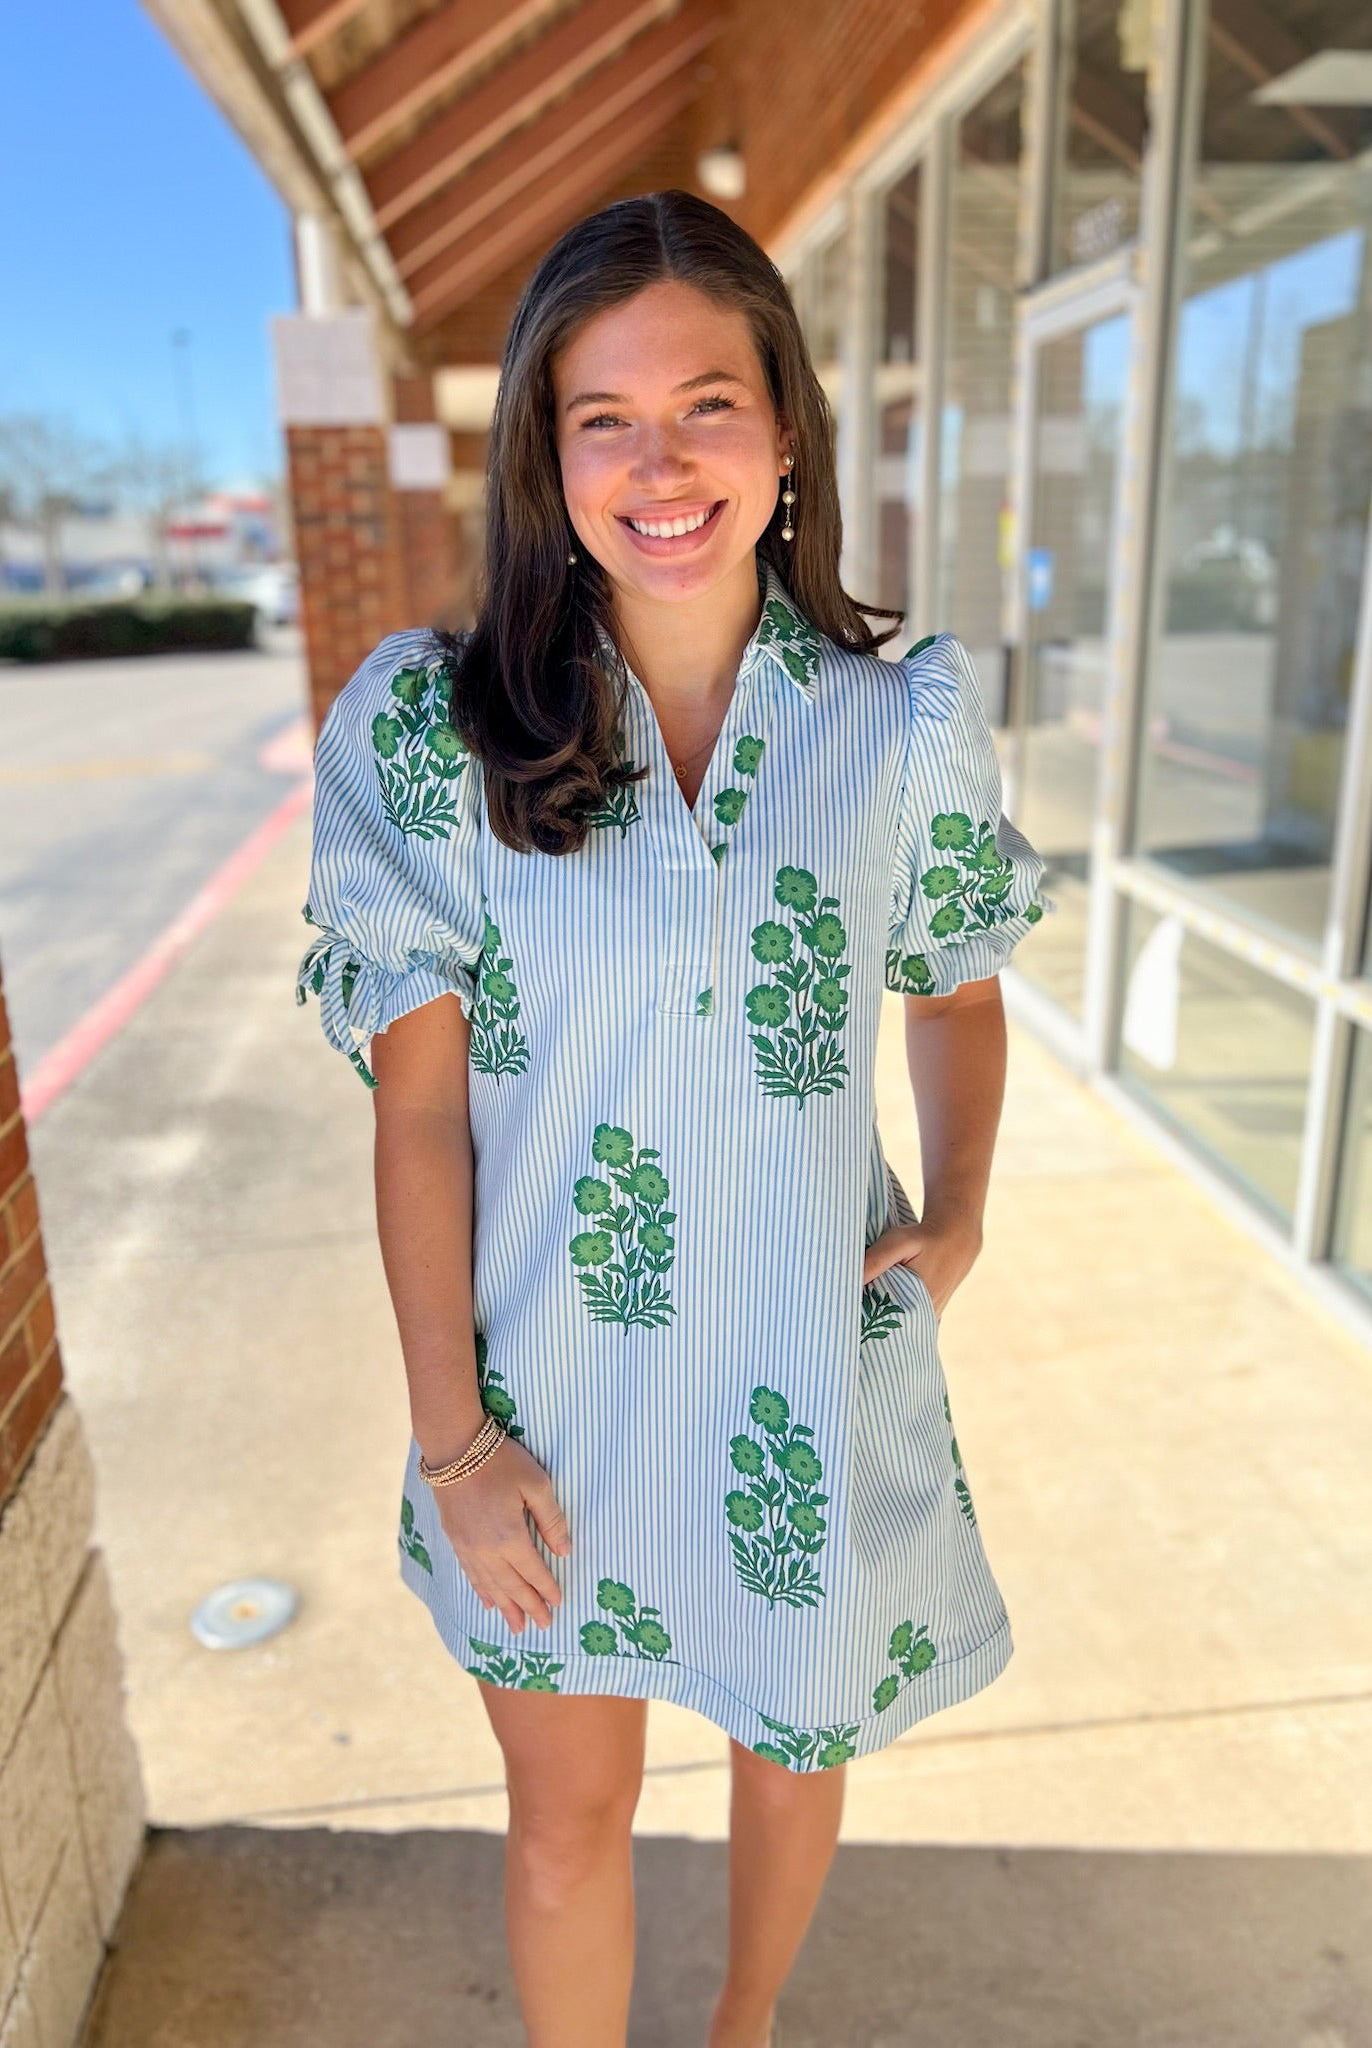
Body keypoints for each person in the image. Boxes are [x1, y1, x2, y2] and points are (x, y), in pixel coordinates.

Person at [295, 187, 1056, 2048]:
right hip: (543, 1409)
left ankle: (744, 2029)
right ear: (544, 460)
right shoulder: (433, 733)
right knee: (570, 1817)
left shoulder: (898, 727)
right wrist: (454, 1443)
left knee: (797, 1750)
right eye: (603, 416)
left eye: (707, 402)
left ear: (784, 426)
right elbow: (417, 1126)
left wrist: (953, 1216)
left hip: (806, 1373)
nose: (661, 460)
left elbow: (957, 984)